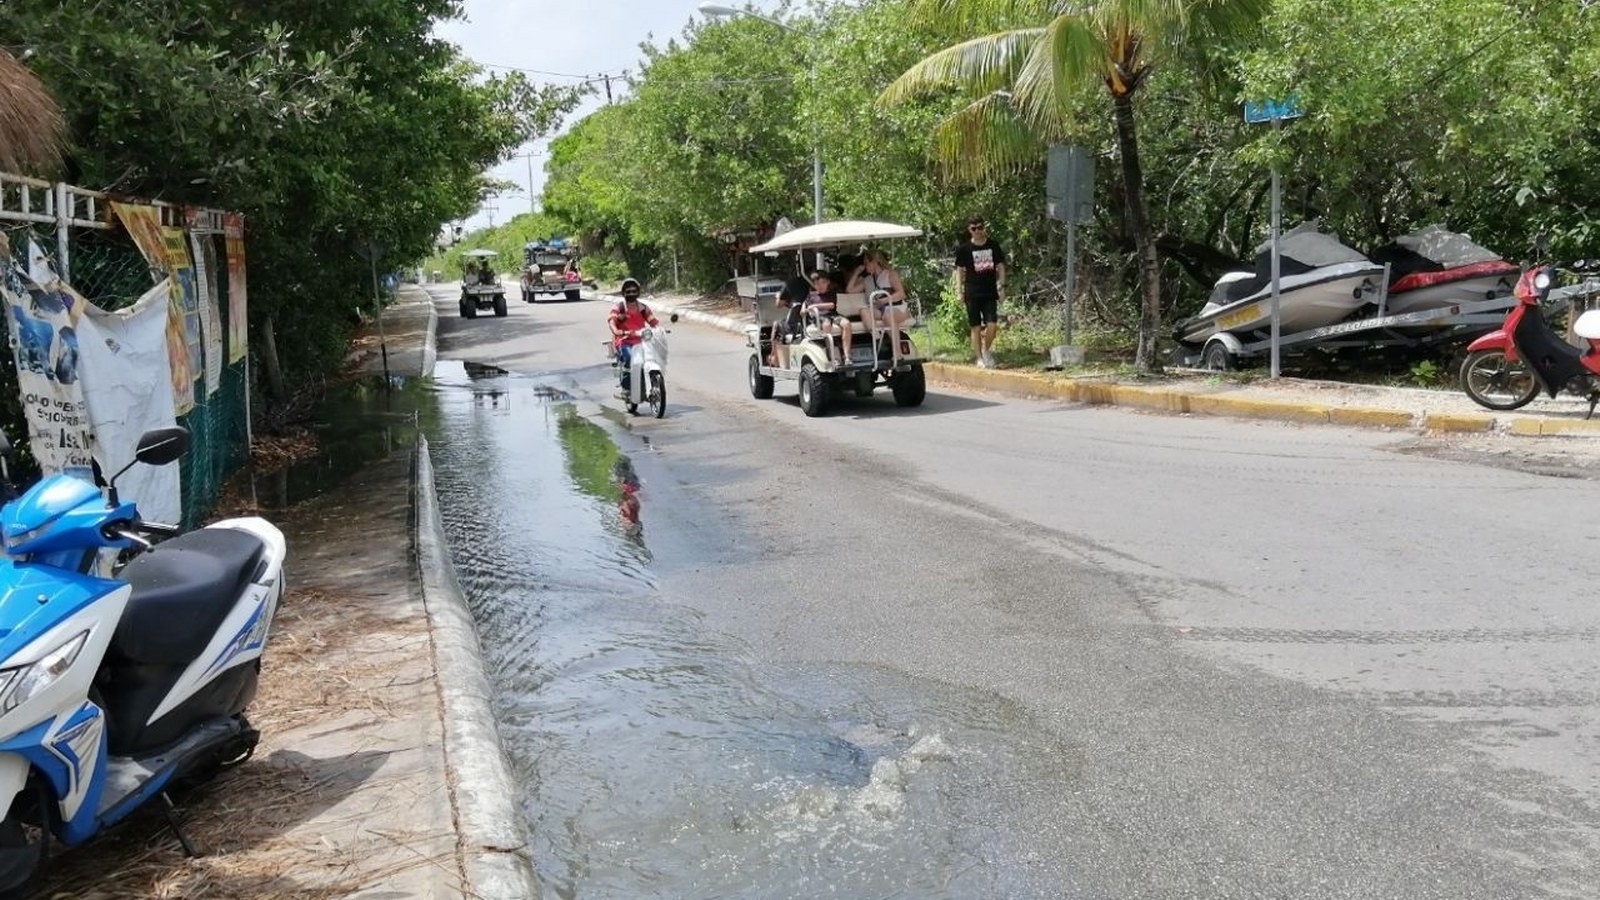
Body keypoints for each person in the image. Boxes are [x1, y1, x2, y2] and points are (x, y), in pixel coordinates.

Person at [954, 217, 1007, 368]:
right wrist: (959, 291)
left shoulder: (993, 245)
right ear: (969, 230)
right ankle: (979, 358)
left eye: (980, 227)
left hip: (989, 291)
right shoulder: (964, 249)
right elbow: (959, 271)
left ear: (984, 227)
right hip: (972, 292)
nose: (977, 231)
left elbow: (1001, 266)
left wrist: (1002, 286)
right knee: (975, 327)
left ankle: (986, 350)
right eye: (973, 228)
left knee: (992, 324)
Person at [847, 249, 910, 362]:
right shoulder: (868, 279)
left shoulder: (890, 274)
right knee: (864, 311)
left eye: (867, 263)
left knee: (888, 316)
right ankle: (877, 338)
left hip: (896, 307)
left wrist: (885, 300)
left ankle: (898, 354)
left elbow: (901, 294)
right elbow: (850, 290)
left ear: (875, 262)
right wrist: (857, 273)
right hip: (881, 308)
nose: (865, 266)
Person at [608, 278, 659, 395]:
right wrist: (616, 330)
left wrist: (658, 328)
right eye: (628, 292)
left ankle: (651, 383)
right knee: (630, 358)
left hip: (642, 340)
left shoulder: (643, 308)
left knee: (652, 357)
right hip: (624, 341)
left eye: (634, 291)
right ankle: (626, 387)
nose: (631, 294)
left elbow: (652, 320)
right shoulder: (619, 308)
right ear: (623, 293)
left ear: (638, 292)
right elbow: (612, 320)